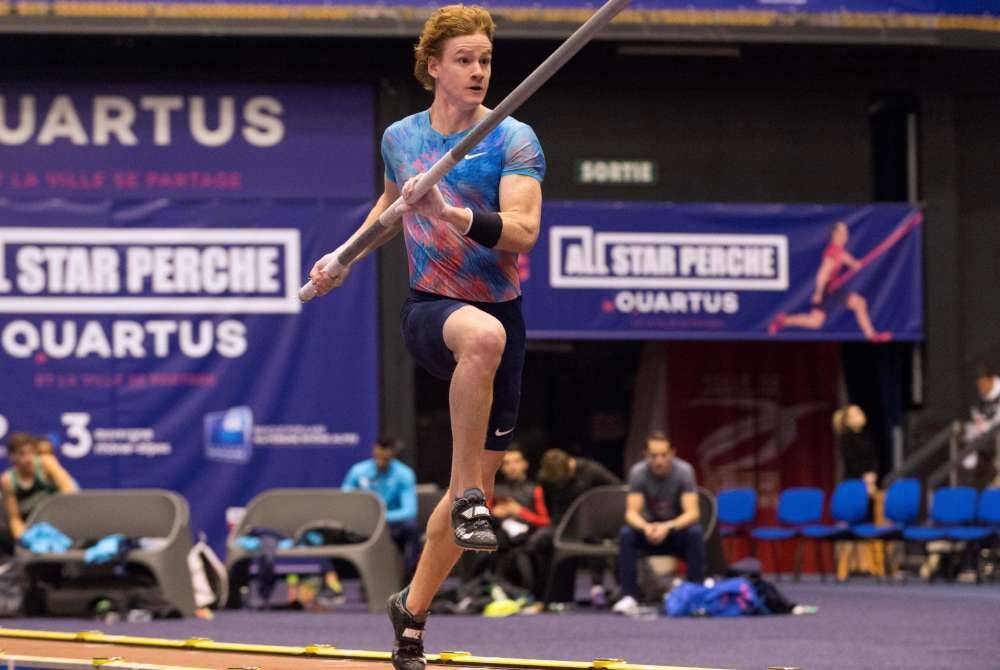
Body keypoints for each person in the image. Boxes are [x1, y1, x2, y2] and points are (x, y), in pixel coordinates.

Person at [308, 5, 544, 669]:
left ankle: (410, 613)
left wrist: (453, 211)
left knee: (494, 345)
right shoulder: (401, 138)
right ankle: (468, 493)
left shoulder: (514, 139)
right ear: (433, 66)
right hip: (433, 307)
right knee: (481, 342)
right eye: (464, 60)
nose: (477, 71)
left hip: (504, 308)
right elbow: (390, 209)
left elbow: (523, 233)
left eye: (486, 60)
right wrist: (343, 257)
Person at [612, 432, 704, 616]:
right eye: (654, 456)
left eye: (663, 455)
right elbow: (631, 512)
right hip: (649, 532)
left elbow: (693, 513)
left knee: (695, 532)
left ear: (672, 453)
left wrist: (668, 526)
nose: (659, 460)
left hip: (675, 532)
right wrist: (646, 527)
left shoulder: (684, 472)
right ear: (646, 455)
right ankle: (629, 596)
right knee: (626, 534)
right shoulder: (638, 473)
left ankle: (695, 595)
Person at [768, 221, 891, 342]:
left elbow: (851, 262)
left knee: (818, 321)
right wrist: (818, 293)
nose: (846, 235)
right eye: (843, 232)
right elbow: (822, 275)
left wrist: (856, 264)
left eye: (846, 232)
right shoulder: (831, 254)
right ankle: (871, 335)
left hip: (834, 287)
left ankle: (784, 320)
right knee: (855, 305)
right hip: (827, 289)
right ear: (835, 235)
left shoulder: (839, 251)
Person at [528, 447, 620, 604]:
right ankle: (545, 593)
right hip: (562, 525)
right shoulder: (546, 479)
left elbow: (618, 492)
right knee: (537, 541)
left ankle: (597, 587)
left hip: (593, 526)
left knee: (593, 538)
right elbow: (548, 506)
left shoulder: (592, 471)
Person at [342, 436, 420, 575]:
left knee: (411, 527)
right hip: (363, 525)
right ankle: (350, 580)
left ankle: (410, 576)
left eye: (385, 455)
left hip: (392, 525)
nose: (381, 458)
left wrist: (381, 517)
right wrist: (363, 518)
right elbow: (345, 499)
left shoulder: (404, 474)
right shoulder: (358, 471)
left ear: (393, 453)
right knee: (334, 533)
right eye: (378, 453)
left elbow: (409, 511)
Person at [482, 446, 550, 589]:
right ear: (501, 467)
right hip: (501, 539)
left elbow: (545, 522)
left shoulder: (535, 490)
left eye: (516, 461)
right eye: (507, 463)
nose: (512, 467)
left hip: (529, 539)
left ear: (525, 464)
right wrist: (493, 514)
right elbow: (482, 517)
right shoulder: (495, 490)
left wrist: (520, 512)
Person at [2, 432, 77, 543]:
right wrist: (24, 539)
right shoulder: (7, 480)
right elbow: (15, 518)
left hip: (58, 524)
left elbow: (69, 491)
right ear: (12, 457)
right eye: (22, 454)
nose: (28, 459)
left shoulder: (47, 464)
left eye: (31, 453)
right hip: (31, 528)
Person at [832, 404, 878, 494]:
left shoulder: (867, 436)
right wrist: (864, 479)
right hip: (852, 482)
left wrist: (873, 473)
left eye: (860, 411)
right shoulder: (845, 438)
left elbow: (873, 458)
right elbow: (852, 461)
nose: (861, 414)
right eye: (856, 414)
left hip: (869, 480)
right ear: (848, 421)